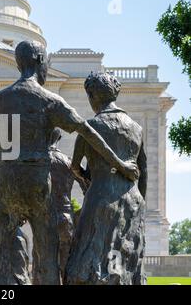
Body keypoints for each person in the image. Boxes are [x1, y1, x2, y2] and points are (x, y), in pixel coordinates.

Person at [0, 41, 140, 285]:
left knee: (2, 245)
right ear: (40, 61)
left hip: (6, 180)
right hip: (36, 180)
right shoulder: (48, 99)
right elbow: (88, 132)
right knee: (46, 250)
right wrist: (120, 163)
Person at [65, 72, 147, 285]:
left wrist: (85, 179)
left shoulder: (90, 128)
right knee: (125, 258)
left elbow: (74, 167)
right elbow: (143, 170)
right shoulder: (136, 128)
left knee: (91, 259)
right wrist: (140, 202)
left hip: (100, 199)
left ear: (92, 96)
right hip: (133, 201)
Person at [48, 128, 88, 281]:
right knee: (66, 261)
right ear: (59, 139)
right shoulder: (69, 162)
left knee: (42, 261)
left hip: (44, 218)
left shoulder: (37, 162)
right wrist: (80, 214)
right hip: (65, 216)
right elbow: (88, 188)